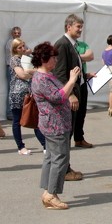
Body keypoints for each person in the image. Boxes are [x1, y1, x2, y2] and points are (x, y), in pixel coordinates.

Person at [31, 42, 80, 210]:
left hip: (55, 123)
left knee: (51, 158)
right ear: (44, 59)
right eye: (53, 57)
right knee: (60, 158)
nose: (56, 60)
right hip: (55, 125)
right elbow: (58, 97)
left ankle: (47, 192)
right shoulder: (41, 79)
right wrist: (72, 81)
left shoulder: (47, 75)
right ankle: (52, 194)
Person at [52, 14, 94, 149]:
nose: (80, 30)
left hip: (77, 87)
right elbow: (59, 73)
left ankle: (65, 166)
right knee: (66, 132)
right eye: (78, 27)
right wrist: (69, 94)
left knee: (72, 127)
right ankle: (64, 168)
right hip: (69, 93)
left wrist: (85, 75)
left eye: (81, 27)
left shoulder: (73, 44)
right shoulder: (63, 44)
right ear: (68, 27)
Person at [9, 38, 46, 156]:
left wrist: (30, 71)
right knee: (17, 120)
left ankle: (45, 144)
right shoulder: (14, 59)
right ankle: (20, 146)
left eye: (23, 46)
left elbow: (39, 70)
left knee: (35, 118)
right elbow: (22, 74)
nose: (23, 49)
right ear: (15, 49)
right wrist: (32, 71)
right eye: (19, 47)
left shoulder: (28, 59)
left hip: (29, 93)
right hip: (17, 94)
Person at [4, 26, 23, 119]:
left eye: (18, 33)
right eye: (15, 33)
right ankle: (10, 113)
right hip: (11, 67)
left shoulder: (19, 42)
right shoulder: (10, 43)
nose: (17, 34)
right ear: (12, 33)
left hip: (18, 67)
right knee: (12, 90)